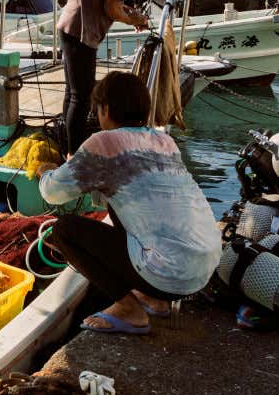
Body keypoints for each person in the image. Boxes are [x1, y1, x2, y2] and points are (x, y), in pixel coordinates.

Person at [36, 72, 220, 334]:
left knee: (64, 230)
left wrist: (45, 172)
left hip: (169, 274)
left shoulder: (104, 142)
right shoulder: (164, 140)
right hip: (203, 271)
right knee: (122, 206)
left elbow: (53, 193)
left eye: (97, 110)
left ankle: (128, 308)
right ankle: (157, 301)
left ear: (106, 109)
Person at [56, 0, 162, 154]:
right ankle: (73, 157)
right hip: (81, 31)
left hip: (73, 26)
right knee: (81, 97)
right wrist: (131, 18)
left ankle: (66, 150)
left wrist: (131, 15)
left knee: (73, 94)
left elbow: (110, 2)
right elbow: (111, 8)